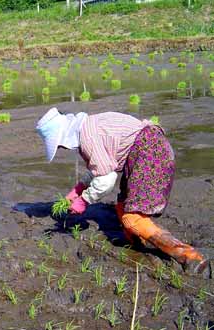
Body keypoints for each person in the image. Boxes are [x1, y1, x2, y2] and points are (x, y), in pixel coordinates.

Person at [36, 107, 207, 273]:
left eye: (59, 145)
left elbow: (106, 180)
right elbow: (101, 167)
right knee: (122, 206)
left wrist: (83, 200)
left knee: (132, 219)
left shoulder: (88, 138)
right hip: (147, 151)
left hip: (150, 155)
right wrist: (79, 188)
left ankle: (191, 258)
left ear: (64, 136)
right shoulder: (88, 126)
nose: (62, 149)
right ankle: (139, 242)